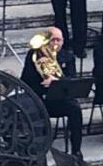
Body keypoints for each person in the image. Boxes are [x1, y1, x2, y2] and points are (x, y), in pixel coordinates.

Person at [21, 26, 82, 155]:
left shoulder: (68, 56)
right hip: (39, 100)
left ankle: (76, 150)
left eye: (58, 40)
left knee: (76, 109)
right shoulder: (34, 55)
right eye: (52, 40)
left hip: (59, 100)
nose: (55, 44)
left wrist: (57, 81)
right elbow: (25, 81)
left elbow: (72, 80)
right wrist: (38, 70)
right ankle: (37, 150)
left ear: (63, 41)